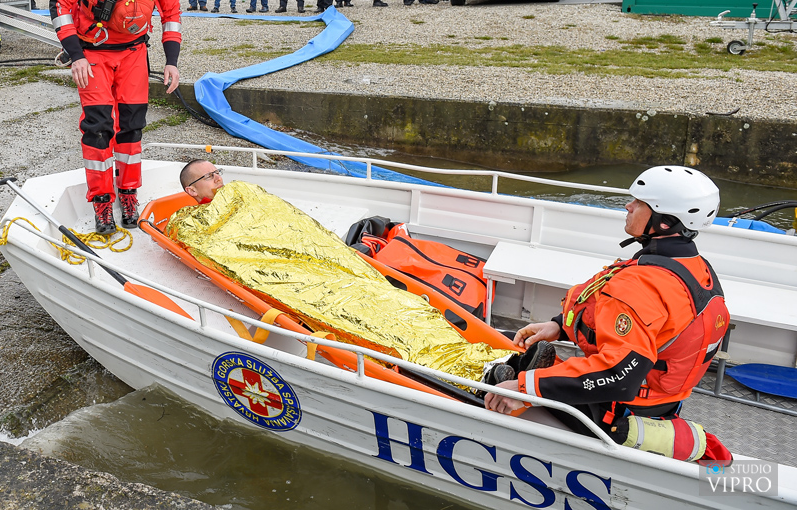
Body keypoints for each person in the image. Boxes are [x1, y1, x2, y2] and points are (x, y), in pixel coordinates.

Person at [171, 162, 514, 382]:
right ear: (191, 190)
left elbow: (292, 223)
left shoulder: (245, 193)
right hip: (293, 278)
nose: (219, 179)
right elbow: (214, 247)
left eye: (218, 172)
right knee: (367, 320)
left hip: (326, 263)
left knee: (400, 303)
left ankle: (496, 358)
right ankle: (473, 373)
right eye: (209, 177)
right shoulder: (190, 223)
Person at [484, 166, 730, 458]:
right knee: (515, 350)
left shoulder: (639, 285)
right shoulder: (694, 268)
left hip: (611, 410)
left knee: (495, 372)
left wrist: (523, 390)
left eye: (639, 203)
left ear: (664, 222)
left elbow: (619, 375)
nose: (628, 206)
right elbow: (655, 330)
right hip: (659, 402)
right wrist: (559, 326)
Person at [50, 0, 182, 235]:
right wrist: (76, 55)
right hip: (93, 54)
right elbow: (60, 5)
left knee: (132, 126)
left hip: (134, 53)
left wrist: (171, 61)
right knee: (98, 127)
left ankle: (128, 194)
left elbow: (171, 14)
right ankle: (102, 202)